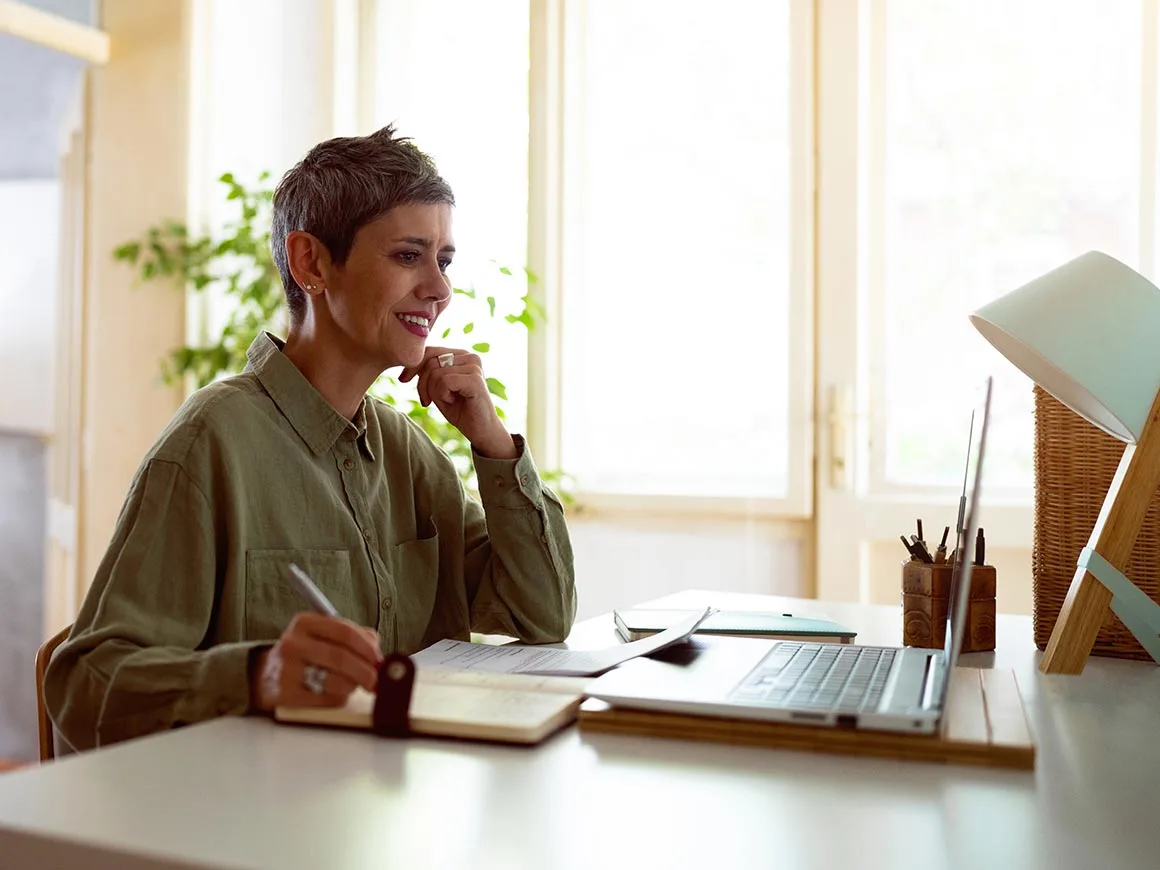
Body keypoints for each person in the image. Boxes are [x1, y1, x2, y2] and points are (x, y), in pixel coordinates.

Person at [44, 126, 577, 752]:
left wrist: (492, 444)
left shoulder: (407, 453)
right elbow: (84, 686)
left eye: (445, 260)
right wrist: (258, 675)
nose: (439, 288)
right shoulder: (210, 444)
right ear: (312, 264)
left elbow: (540, 616)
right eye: (409, 256)